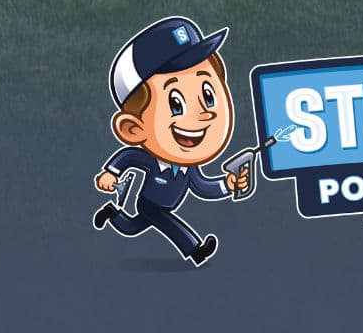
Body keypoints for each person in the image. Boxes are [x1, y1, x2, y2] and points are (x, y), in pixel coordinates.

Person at [92, 16, 252, 266]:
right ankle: (195, 249)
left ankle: (112, 214)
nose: (203, 113)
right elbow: (128, 157)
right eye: (176, 103)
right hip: (151, 203)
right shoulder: (151, 159)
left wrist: (227, 185)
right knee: (163, 220)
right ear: (133, 129)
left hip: (164, 203)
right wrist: (111, 173)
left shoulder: (188, 166)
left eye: (208, 96)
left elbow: (201, 187)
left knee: (131, 227)